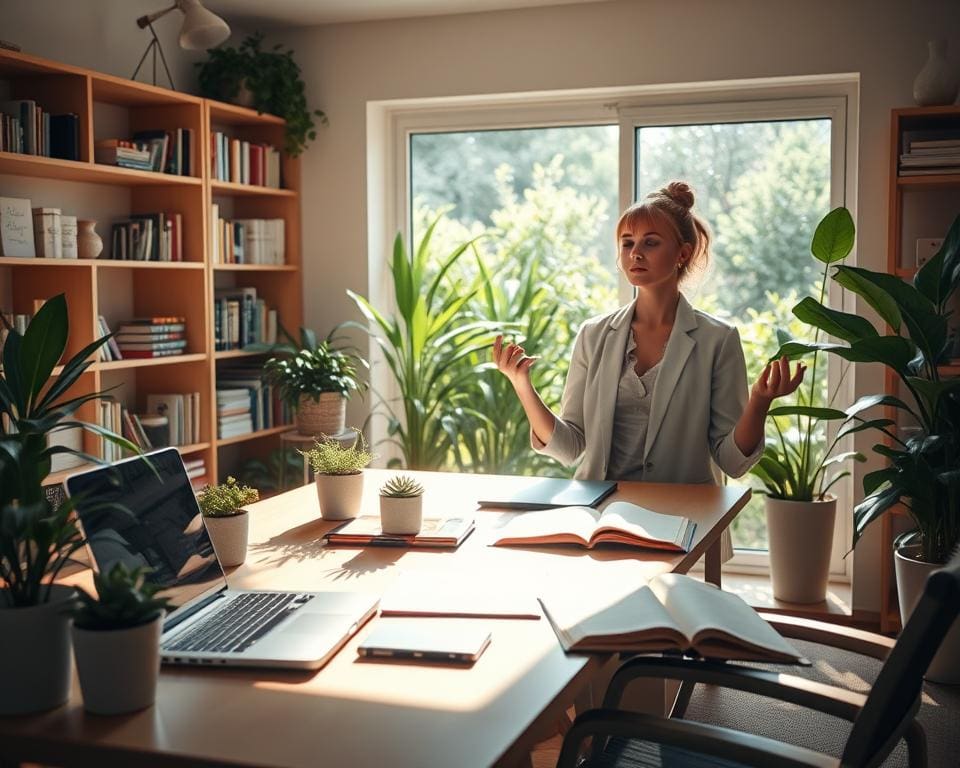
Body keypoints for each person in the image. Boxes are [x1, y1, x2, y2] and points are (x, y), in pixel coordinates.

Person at [493, 181, 804, 487]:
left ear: (683, 253)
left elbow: (732, 462)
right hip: (601, 516)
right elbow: (570, 447)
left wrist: (760, 401)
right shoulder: (593, 335)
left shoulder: (718, 341)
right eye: (627, 243)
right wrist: (522, 385)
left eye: (650, 242)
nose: (635, 253)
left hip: (683, 518)